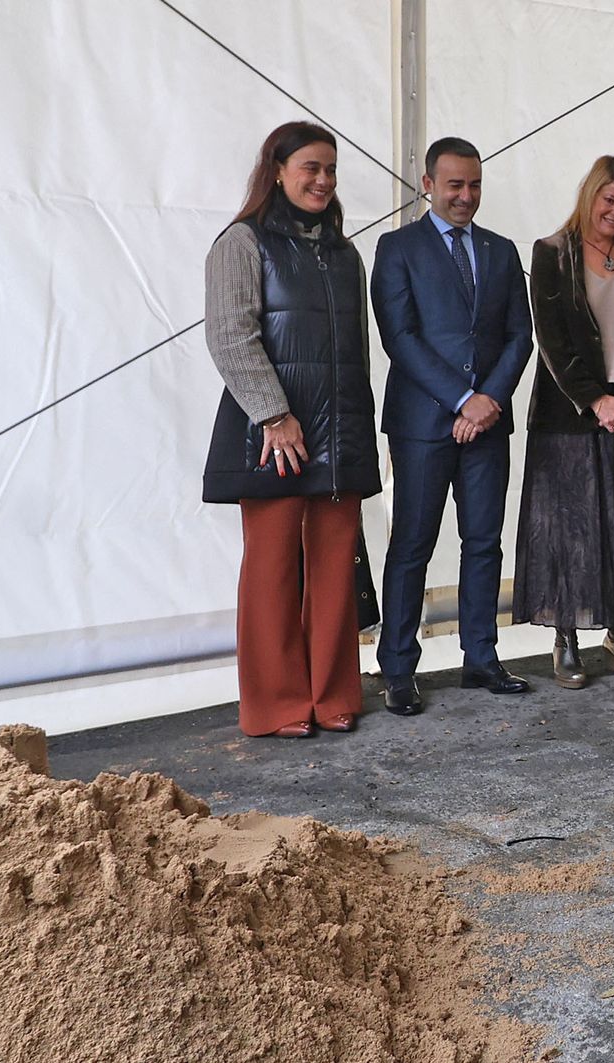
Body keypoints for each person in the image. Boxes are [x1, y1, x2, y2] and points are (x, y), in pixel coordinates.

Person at [202, 121, 381, 737]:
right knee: (273, 571)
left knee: (336, 570)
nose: (323, 180)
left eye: (331, 170)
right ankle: (277, 703)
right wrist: (274, 415)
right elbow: (230, 336)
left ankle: (332, 695)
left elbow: (355, 349)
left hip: (338, 436)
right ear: (277, 171)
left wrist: (358, 429)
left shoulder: (344, 253)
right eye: (310, 167)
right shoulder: (242, 242)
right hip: (271, 433)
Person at [370, 137, 534, 715]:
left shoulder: (502, 250)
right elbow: (401, 339)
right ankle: (397, 669)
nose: (466, 196)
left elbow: (521, 335)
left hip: (488, 423)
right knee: (412, 544)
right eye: (455, 185)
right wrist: (464, 399)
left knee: (484, 543)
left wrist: (487, 399)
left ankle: (481, 658)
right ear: (428, 183)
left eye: (475, 185)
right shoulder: (396, 248)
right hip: (422, 424)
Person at [513, 156, 614, 688]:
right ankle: (567, 638)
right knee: (570, 531)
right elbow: (552, 340)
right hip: (568, 419)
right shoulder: (552, 254)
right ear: (590, 197)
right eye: (609, 200)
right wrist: (595, 400)